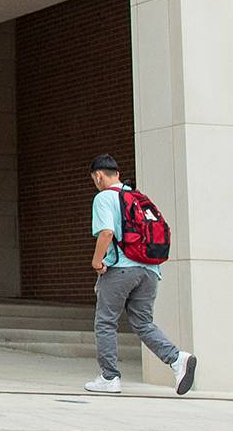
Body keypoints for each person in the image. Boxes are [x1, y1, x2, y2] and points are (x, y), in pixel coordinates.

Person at [84, 156, 197, 396]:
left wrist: (96, 262)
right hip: (150, 270)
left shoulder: (104, 198)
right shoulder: (137, 197)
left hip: (121, 270)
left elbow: (106, 232)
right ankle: (178, 359)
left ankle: (109, 377)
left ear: (98, 176)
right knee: (143, 323)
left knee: (106, 321)